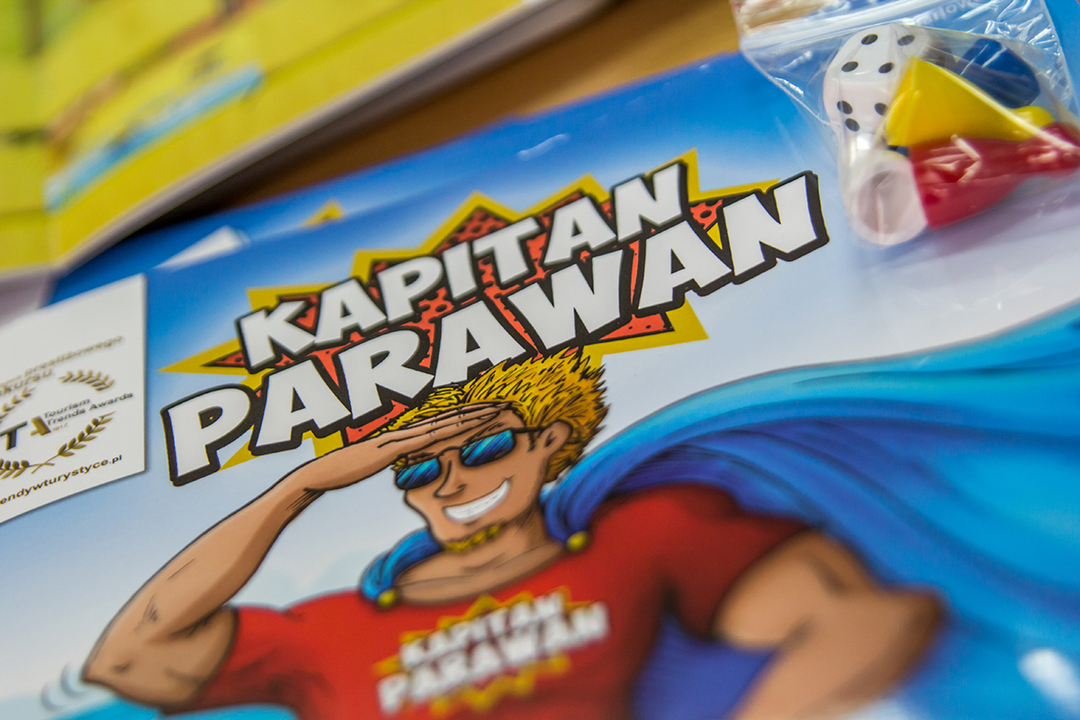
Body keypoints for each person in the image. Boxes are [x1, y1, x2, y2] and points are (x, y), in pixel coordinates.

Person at [83, 353, 940, 720]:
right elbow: (130, 657)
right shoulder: (328, 631)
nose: (450, 480)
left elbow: (862, 620)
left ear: (550, 445)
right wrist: (299, 486)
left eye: (485, 450)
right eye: (420, 470)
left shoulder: (643, 537)